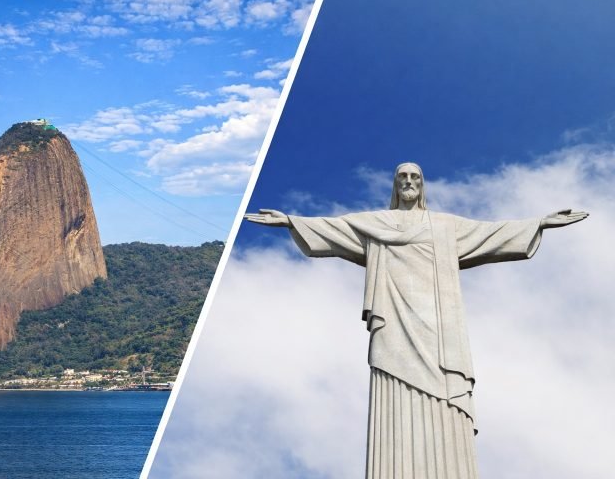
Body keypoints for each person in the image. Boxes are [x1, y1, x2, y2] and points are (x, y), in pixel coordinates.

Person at [244, 162, 587, 479]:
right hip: (393, 323)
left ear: (422, 186)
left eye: (415, 177)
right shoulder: (376, 224)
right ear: (395, 185)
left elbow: (491, 233)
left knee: (447, 399)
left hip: (440, 328)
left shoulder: (445, 226)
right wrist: (290, 221)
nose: (408, 182)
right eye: (402, 177)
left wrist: (539, 222)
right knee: (393, 394)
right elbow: (335, 228)